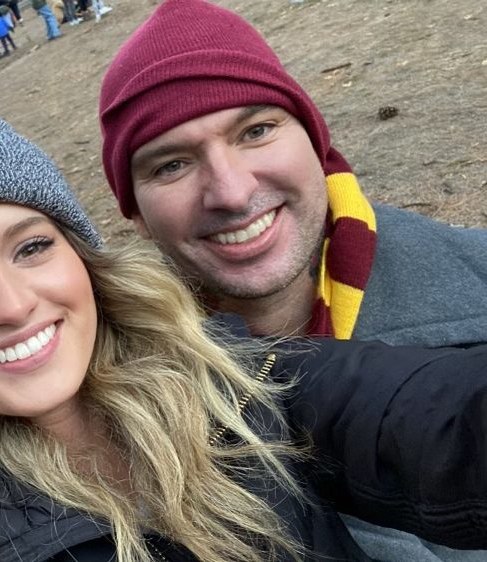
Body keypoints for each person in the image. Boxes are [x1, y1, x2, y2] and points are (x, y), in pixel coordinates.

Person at [0, 115, 487, 561]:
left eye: (33, 247)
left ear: (84, 262)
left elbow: (435, 419)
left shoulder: (239, 383)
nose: (11, 306)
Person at [98, 4, 487, 558]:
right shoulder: (111, 409)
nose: (230, 192)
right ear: (135, 213)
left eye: (255, 130)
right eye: (171, 164)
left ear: (315, 139)